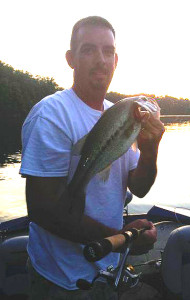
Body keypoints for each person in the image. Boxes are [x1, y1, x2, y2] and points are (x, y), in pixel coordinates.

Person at [20, 16, 165, 299]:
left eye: (107, 51)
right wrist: (123, 240)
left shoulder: (121, 114)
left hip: (109, 270)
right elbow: (44, 210)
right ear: (71, 59)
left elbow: (139, 187)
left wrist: (150, 149)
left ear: (116, 60)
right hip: (62, 280)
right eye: (88, 50)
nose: (100, 60)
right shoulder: (52, 114)